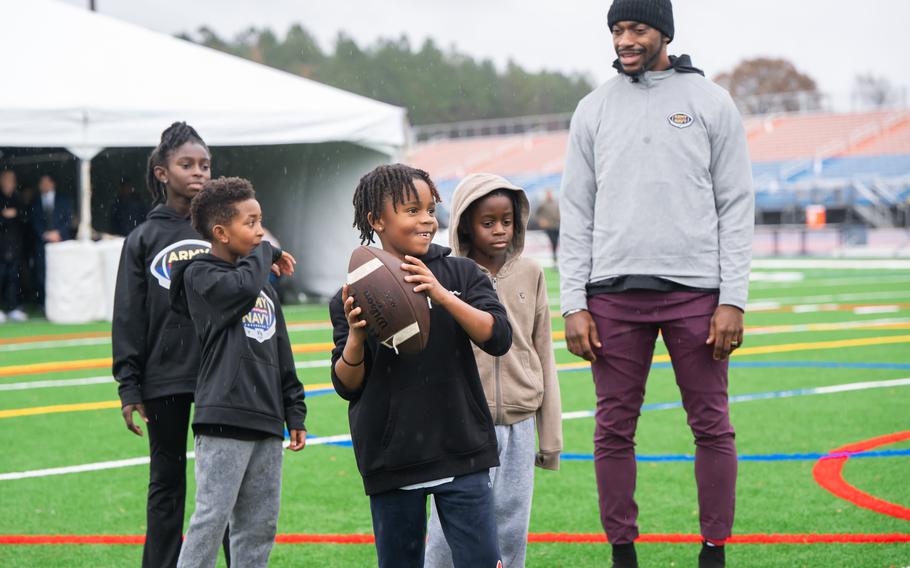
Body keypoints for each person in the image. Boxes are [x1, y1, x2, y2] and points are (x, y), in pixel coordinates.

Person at [558, 1, 754, 567]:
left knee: (712, 426)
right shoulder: (592, 108)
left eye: (636, 29)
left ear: (664, 33)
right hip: (611, 297)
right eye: (618, 30)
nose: (625, 39)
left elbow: (736, 206)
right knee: (612, 431)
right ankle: (623, 553)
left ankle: (713, 551)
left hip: (697, 294)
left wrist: (732, 299)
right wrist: (574, 303)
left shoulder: (711, 102)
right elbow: (577, 211)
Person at [330, 164, 512, 568]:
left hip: (461, 448)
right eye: (412, 210)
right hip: (392, 459)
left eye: (430, 209)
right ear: (377, 220)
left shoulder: (461, 273)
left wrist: (442, 295)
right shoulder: (351, 294)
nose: (427, 219)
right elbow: (347, 384)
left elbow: (498, 337)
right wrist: (358, 337)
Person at [425, 173, 563, 568]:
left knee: (511, 529)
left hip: (519, 425)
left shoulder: (532, 272)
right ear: (466, 222)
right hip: (464, 424)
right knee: (450, 531)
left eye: (508, 220)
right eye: (488, 222)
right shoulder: (446, 274)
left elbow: (543, 351)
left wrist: (549, 438)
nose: (500, 230)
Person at [112, 122, 231, 568]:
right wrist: (129, 384)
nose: (199, 172)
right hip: (164, 379)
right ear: (162, 173)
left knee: (224, 486)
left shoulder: (222, 229)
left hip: (220, 375)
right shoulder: (142, 238)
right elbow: (127, 315)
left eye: (205, 165)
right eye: (187, 164)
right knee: (166, 484)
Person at [170, 176, 306, 568]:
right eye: (250, 223)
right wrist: (267, 253)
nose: (260, 231)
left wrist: (293, 409)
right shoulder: (200, 276)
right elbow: (241, 289)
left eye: (261, 220)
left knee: (259, 527)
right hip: (224, 419)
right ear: (220, 233)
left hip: (266, 420)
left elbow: (282, 353)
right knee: (211, 521)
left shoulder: (262, 287)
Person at [30, 173, 74, 306]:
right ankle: (44, 303)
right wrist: (44, 234)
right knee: (41, 273)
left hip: (61, 243)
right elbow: (33, 221)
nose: (43, 185)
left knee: (62, 271)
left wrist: (58, 233)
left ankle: (62, 302)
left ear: (53, 183)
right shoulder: (35, 202)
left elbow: (69, 220)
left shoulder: (63, 200)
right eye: (41, 182)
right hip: (42, 243)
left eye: (46, 182)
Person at [0, 169, 28, 322]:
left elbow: (25, 217)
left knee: (13, 279)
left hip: (15, 246)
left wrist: (15, 214)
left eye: (11, 180)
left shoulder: (18, 199)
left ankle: (12, 307)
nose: (9, 183)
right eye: (6, 180)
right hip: (1, 247)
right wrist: (4, 217)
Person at [533, 190, 560, 264]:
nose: (549, 195)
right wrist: (541, 220)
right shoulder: (543, 204)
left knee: (557, 242)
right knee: (553, 242)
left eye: (550, 194)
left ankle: (556, 259)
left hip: (557, 226)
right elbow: (537, 214)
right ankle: (555, 259)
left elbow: (560, 212)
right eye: (548, 194)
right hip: (549, 227)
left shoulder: (556, 202)